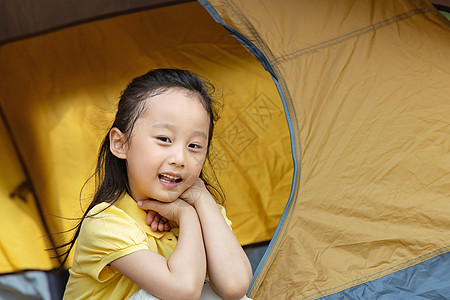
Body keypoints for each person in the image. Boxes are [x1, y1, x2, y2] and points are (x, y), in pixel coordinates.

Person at [61, 69, 253, 299]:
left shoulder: (205, 210)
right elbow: (183, 290)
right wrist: (187, 215)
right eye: (164, 139)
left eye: (194, 146)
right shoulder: (105, 222)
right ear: (120, 144)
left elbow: (235, 287)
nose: (180, 159)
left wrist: (202, 200)